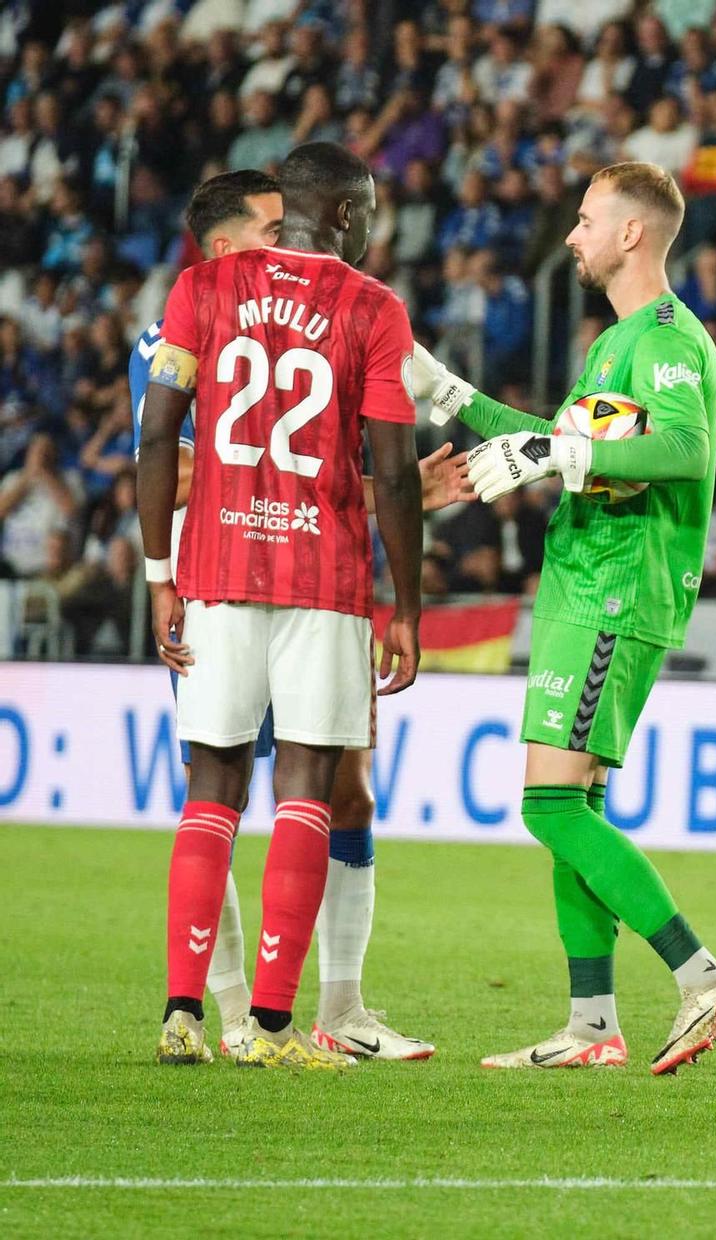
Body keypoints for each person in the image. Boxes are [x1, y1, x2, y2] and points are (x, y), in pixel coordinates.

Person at [414, 162, 716, 1076]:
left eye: (586, 218)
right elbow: (553, 444)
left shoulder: (670, 339)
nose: (571, 234)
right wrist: (443, 390)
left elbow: (684, 450)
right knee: (579, 803)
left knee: (549, 803)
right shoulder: (614, 346)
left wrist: (560, 448)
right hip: (582, 583)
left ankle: (700, 973)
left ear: (633, 233)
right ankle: (593, 1026)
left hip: (618, 587)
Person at [128, 168, 468, 1062]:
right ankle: (274, 1026)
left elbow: (158, 436)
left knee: (212, 794)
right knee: (306, 793)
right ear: (341, 215)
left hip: (216, 570)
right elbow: (394, 471)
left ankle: (184, 1012)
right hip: (323, 582)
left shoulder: (199, 291)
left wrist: (161, 576)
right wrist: (408, 605)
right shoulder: (372, 305)